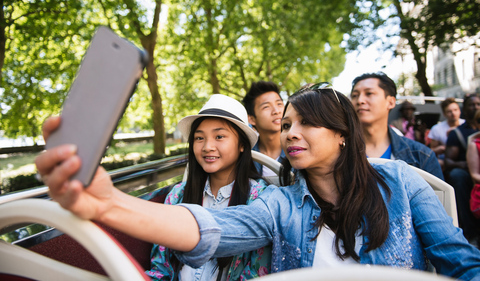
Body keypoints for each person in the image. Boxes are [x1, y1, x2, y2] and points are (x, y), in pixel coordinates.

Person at [36, 84, 480, 280]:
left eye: (307, 123)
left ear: (343, 134)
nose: (290, 133)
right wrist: (106, 204)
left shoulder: (402, 182)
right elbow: (207, 228)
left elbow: (462, 262)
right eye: (286, 124)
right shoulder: (279, 205)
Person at [144, 94, 270, 280]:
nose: (207, 146)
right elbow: (160, 269)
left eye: (219, 136)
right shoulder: (177, 195)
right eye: (199, 138)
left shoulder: (260, 199)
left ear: (242, 144)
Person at [350, 72, 444, 180]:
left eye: (369, 93)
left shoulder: (421, 156)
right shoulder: (338, 153)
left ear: (391, 102)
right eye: (354, 96)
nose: (360, 100)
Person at [445, 93, 480, 243]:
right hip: (467, 172)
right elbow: (448, 160)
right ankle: (469, 231)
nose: (476, 107)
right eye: (472, 105)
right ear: (464, 108)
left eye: (478, 104)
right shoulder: (457, 133)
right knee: (457, 176)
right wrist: (466, 164)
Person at [242, 81, 285, 177]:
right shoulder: (246, 158)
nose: (276, 111)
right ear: (252, 119)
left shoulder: (298, 150)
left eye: (279, 104)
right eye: (266, 107)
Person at [428, 97, 465, 170]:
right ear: (444, 114)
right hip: (447, 160)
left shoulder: (467, 124)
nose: (453, 113)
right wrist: (439, 149)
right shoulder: (437, 129)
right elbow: (431, 150)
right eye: (449, 111)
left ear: (460, 111)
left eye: (455, 110)